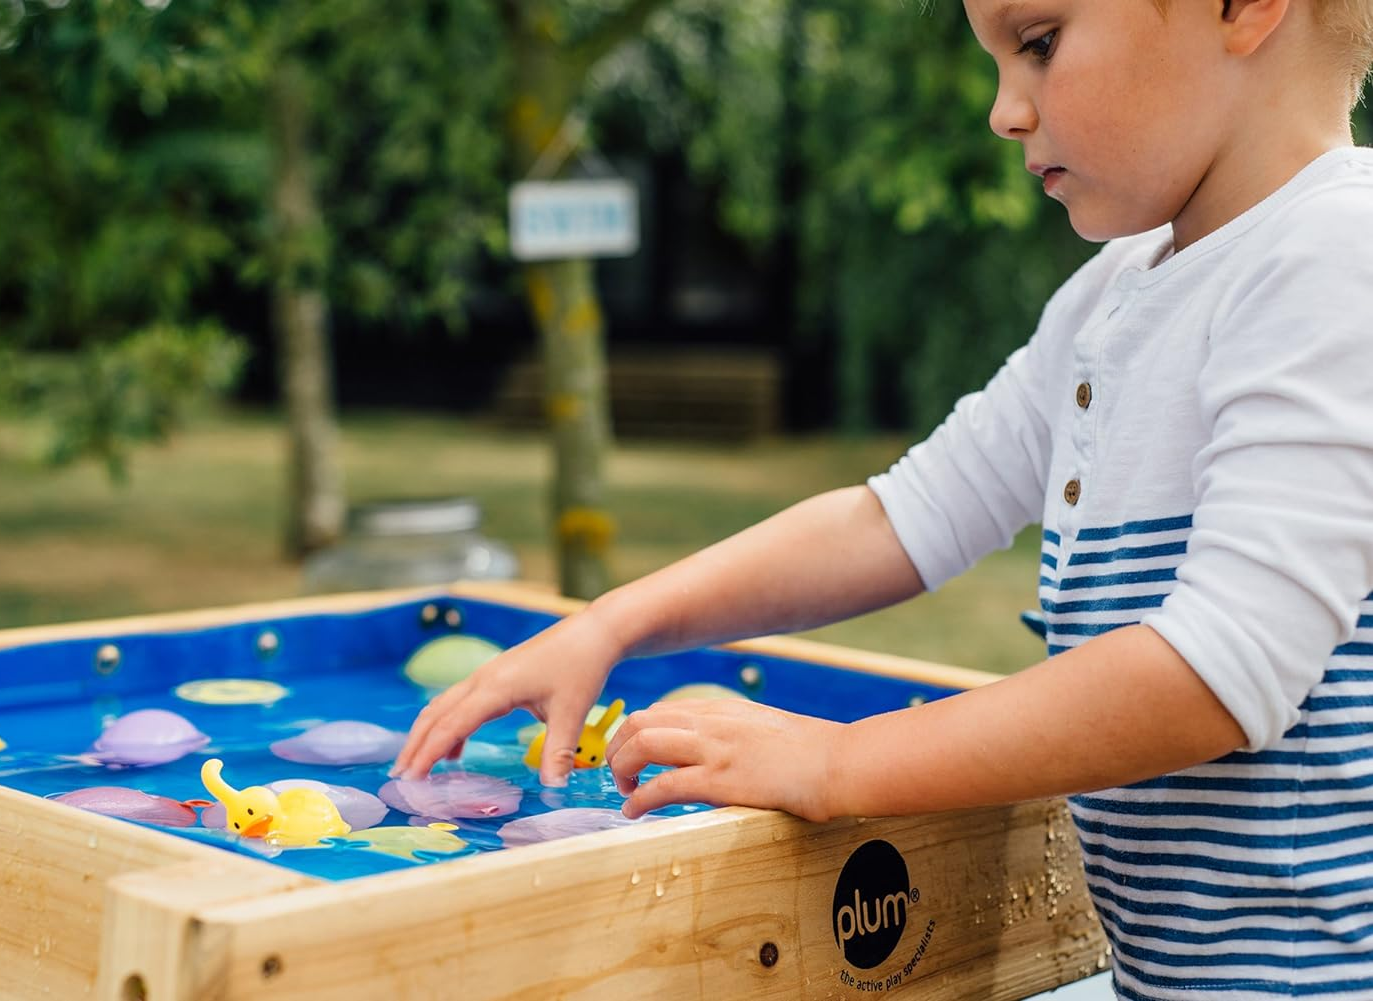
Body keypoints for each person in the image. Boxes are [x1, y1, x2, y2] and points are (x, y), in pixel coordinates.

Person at [394, 0, 1373, 994]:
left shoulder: (1335, 255)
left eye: (1038, 44)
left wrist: (838, 762)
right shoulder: (1109, 299)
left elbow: (1215, 671)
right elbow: (901, 515)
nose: (1003, 111)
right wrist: (613, 623)